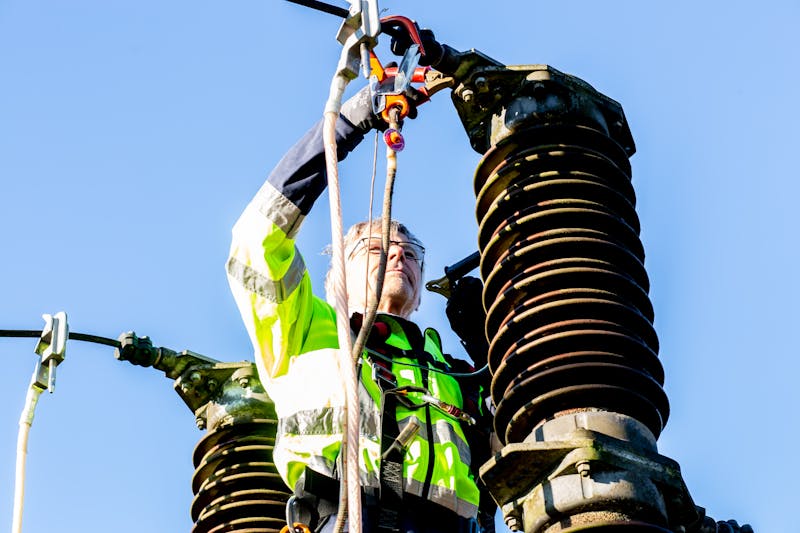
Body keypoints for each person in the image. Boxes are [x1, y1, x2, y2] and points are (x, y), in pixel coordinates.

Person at [226, 87, 492, 532]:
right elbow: (257, 240)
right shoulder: (305, 329)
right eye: (376, 247)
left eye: (411, 253)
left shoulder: (453, 372)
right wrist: (350, 121)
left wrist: (489, 346)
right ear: (339, 277)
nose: (397, 255)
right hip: (346, 519)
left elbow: (519, 444)